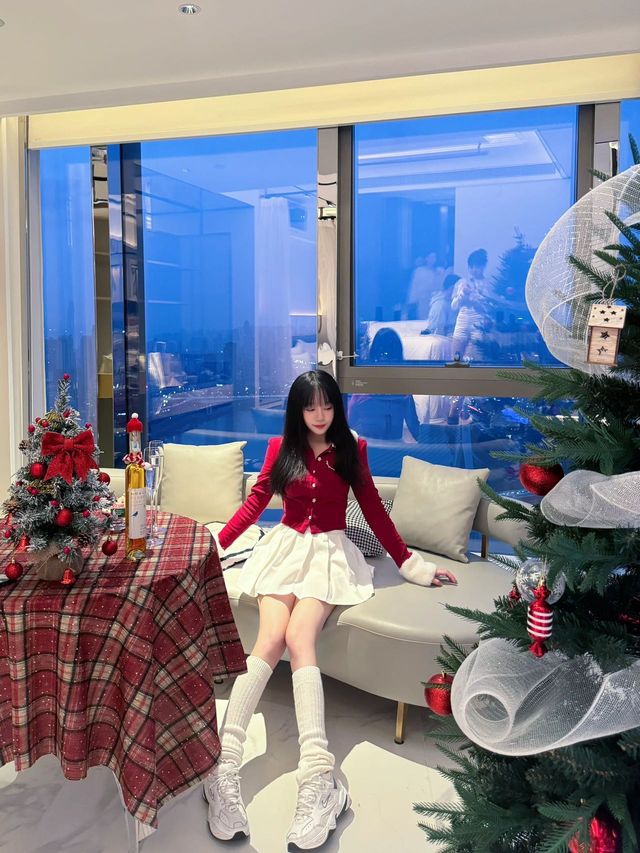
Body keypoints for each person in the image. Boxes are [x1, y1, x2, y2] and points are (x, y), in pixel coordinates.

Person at [204, 370, 457, 850]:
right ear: (298, 410)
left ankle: (319, 777)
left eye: (327, 405)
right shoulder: (281, 447)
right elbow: (256, 503)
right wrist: (217, 545)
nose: (320, 415)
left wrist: (412, 564)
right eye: (310, 407)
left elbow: (374, 509)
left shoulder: (352, 449)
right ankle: (225, 766)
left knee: (300, 638)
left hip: (328, 555)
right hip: (285, 549)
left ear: (337, 407)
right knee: (269, 639)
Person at [348, 328, 420, 441]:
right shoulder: (404, 395)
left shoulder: (360, 395)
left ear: (373, 355)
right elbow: (416, 430)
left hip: (367, 450)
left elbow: (349, 425)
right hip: (394, 450)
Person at [451, 248, 492, 360]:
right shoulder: (462, 282)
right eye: (471, 267)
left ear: (483, 266)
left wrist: (475, 298)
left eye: (477, 266)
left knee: (475, 359)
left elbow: (489, 308)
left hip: (478, 323)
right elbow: (454, 306)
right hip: (462, 321)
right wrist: (462, 295)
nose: (474, 270)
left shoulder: (488, 285)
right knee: (456, 359)